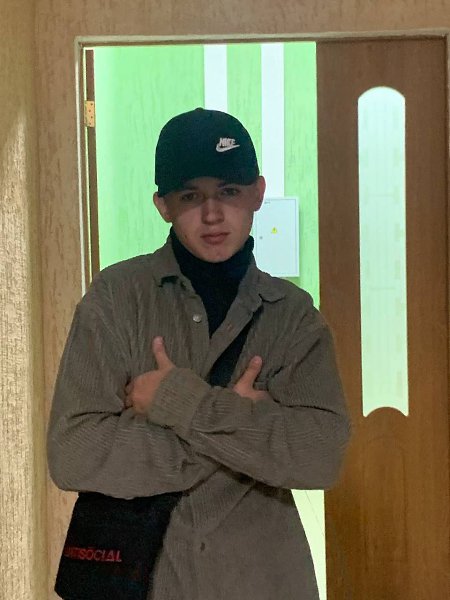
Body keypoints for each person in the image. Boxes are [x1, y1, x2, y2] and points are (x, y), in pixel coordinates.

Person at [47, 107, 351, 600]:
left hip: (263, 582)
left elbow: (320, 456)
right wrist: (245, 429)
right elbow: (73, 454)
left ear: (257, 193)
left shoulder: (293, 316)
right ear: (163, 205)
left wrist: (177, 403)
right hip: (143, 582)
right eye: (190, 196)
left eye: (228, 191)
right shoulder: (116, 299)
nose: (212, 214)